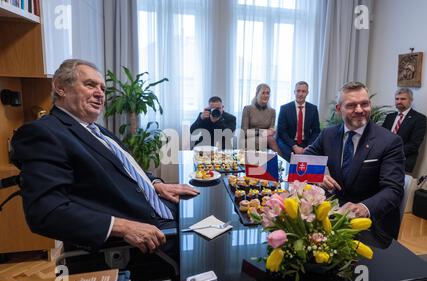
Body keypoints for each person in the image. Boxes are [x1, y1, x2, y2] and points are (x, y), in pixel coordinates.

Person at [11, 59, 199, 254]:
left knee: (217, 213)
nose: (100, 93)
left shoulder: (95, 130)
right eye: (90, 85)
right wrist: (123, 227)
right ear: (60, 88)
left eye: (102, 88)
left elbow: (126, 169)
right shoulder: (44, 133)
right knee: (219, 250)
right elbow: (46, 212)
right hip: (147, 237)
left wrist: (155, 184)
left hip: (161, 210)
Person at [304, 82, 405, 241]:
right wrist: (318, 174)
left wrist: (364, 208)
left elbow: (393, 190)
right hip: (332, 216)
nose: (359, 110)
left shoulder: (390, 142)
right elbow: (305, 157)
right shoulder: (328, 135)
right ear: (339, 109)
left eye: (364, 104)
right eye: (351, 105)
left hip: (371, 226)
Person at [382, 88, 426, 173]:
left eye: (403, 99)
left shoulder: (419, 119)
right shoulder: (389, 117)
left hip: (403, 162)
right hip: (384, 160)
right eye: (397, 99)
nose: (399, 101)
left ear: (411, 100)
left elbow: (414, 144)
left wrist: (392, 153)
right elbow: (382, 137)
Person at [276, 81, 320, 162]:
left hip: (306, 142)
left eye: (303, 91)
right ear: (294, 92)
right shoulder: (285, 108)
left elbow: (316, 131)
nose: (300, 94)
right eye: (298, 91)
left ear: (307, 93)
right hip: (288, 141)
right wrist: (294, 146)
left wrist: (309, 147)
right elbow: (282, 132)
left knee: (310, 158)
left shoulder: (313, 109)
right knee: (292, 158)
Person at [240, 83, 279, 152]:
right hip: (249, 138)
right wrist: (262, 132)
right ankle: (281, 160)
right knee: (269, 139)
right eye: (263, 93)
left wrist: (270, 132)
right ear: (257, 94)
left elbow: (270, 131)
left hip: (266, 139)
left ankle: (279, 159)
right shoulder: (248, 109)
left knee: (270, 138)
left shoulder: (272, 111)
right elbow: (244, 132)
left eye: (268, 93)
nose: (266, 95)